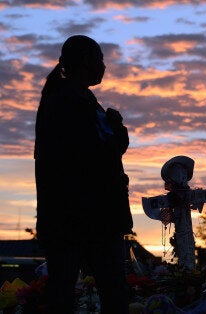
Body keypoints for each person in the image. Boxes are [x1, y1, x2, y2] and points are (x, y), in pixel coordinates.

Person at [34, 35, 132, 313]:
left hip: (87, 218)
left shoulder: (81, 99)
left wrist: (115, 129)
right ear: (87, 62)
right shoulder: (67, 102)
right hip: (81, 218)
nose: (104, 66)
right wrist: (117, 130)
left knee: (96, 292)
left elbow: (105, 151)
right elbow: (94, 155)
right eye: (100, 60)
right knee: (93, 295)